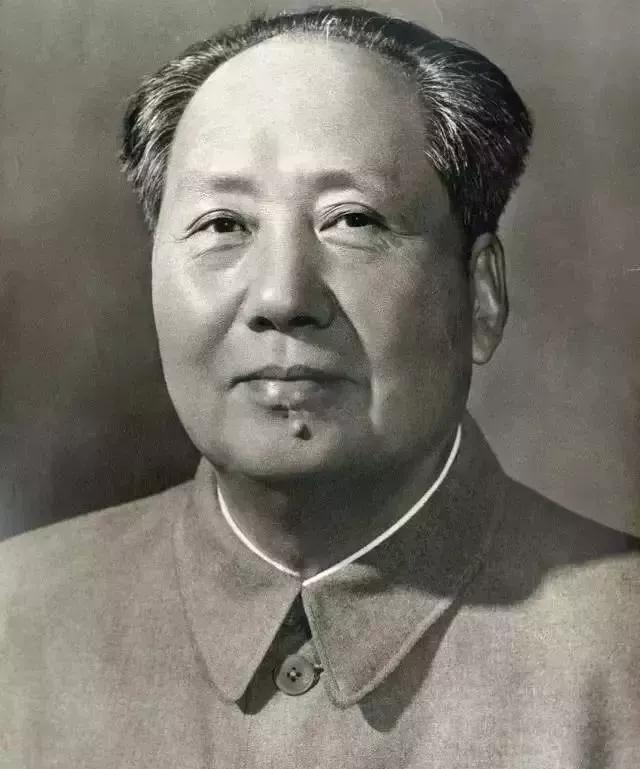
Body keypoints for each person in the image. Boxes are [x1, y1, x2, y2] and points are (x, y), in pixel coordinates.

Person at [1, 6, 638, 768]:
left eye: (353, 220)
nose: (282, 295)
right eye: (222, 225)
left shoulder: (621, 646)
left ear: (481, 296)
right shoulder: (17, 622)